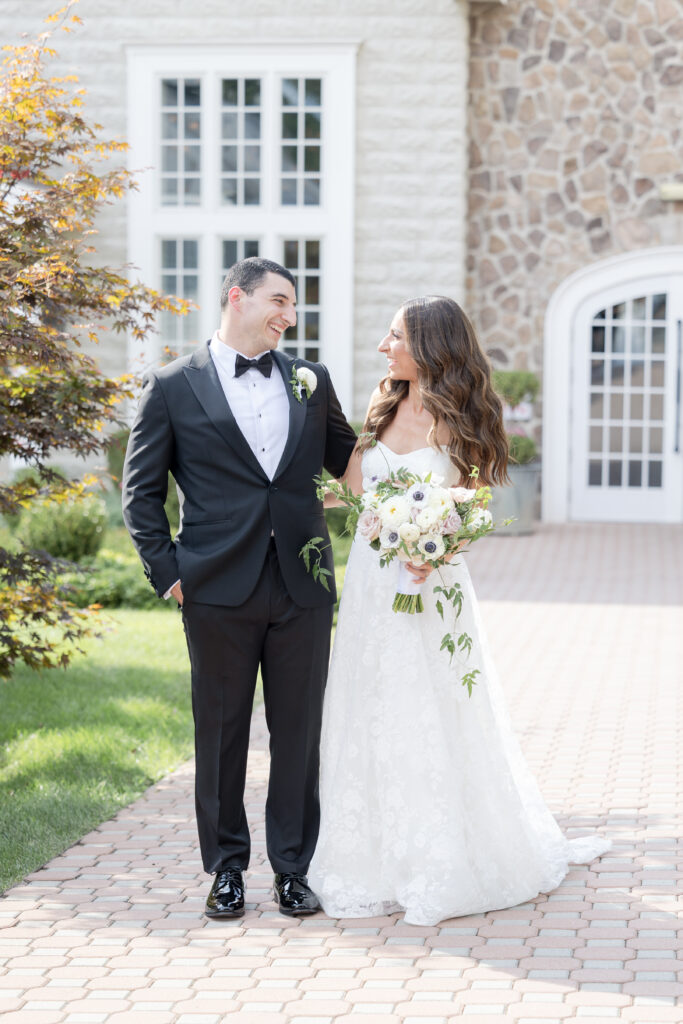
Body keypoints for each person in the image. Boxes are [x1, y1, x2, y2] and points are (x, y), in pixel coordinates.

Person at [308, 295, 610, 926]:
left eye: (393, 337)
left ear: (429, 345)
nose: (383, 347)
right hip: (371, 579)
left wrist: (434, 546)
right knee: (371, 704)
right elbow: (359, 492)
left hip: (431, 586)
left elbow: (471, 509)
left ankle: (443, 857)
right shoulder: (381, 400)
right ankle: (372, 858)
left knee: (433, 706)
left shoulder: (459, 420)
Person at [122, 257, 356, 919]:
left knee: (297, 733)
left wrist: (420, 418)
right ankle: (225, 869)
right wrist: (167, 572)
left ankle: (291, 871)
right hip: (215, 586)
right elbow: (140, 493)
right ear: (237, 298)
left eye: (293, 305)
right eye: (279, 301)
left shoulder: (312, 380)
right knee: (220, 733)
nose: (289, 314)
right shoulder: (172, 385)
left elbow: (355, 463)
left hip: (301, 584)